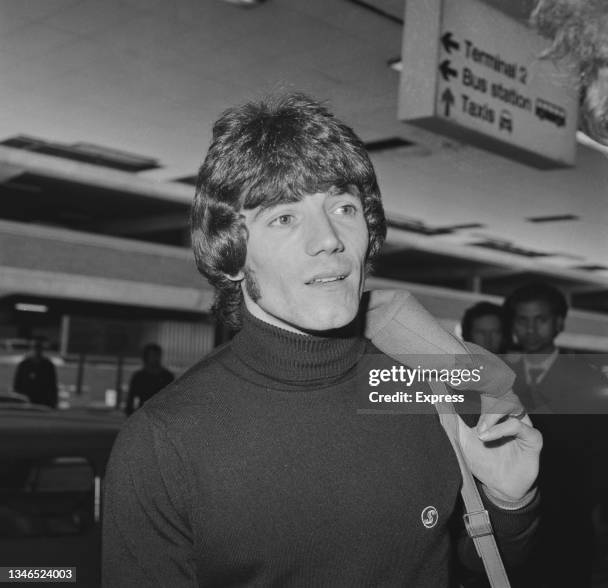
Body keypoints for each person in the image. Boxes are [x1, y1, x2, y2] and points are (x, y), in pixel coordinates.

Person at [103, 93, 541, 587]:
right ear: (232, 254)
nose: (329, 238)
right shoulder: (164, 443)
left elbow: (472, 568)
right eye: (284, 217)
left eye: (344, 207)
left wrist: (510, 502)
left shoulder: (426, 387)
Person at [503, 282, 608, 588]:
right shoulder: (499, 375)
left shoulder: (588, 377)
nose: (531, 329)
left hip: (569, 516)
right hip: (513, 515)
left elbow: (600, 450)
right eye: (522, 320)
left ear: (559, 323)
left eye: (541, 319)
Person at [125, 343, 174, 416]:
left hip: (163, 414)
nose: (156, 358)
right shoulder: (139, 377)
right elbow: (131, 398)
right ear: (146, 357)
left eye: (157, 355)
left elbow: (173, 397)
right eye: (153, 355)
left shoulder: (167, 376)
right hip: (145, 414)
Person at [13, 336, 57, 408]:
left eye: (39, 348)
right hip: (25, 402)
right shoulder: (23, 365)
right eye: (35, 347)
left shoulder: (48, 366)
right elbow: (17, 384)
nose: (37, 350)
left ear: (41, 349)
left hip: (43, 402)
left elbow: (52, 385)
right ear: (31, 348)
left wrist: (53, 402)